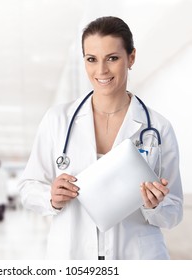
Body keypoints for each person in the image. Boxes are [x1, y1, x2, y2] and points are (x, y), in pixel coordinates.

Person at [18, 16, 183, 259]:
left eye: (112, 58)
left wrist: (155, 205)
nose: (101, 70)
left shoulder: (158, 128)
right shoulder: (58, 120)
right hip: (73, 256)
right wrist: (50, 197)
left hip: (137, 256)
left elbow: (175, 210)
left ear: (131, 58)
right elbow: (27, 187)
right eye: (91, 59)